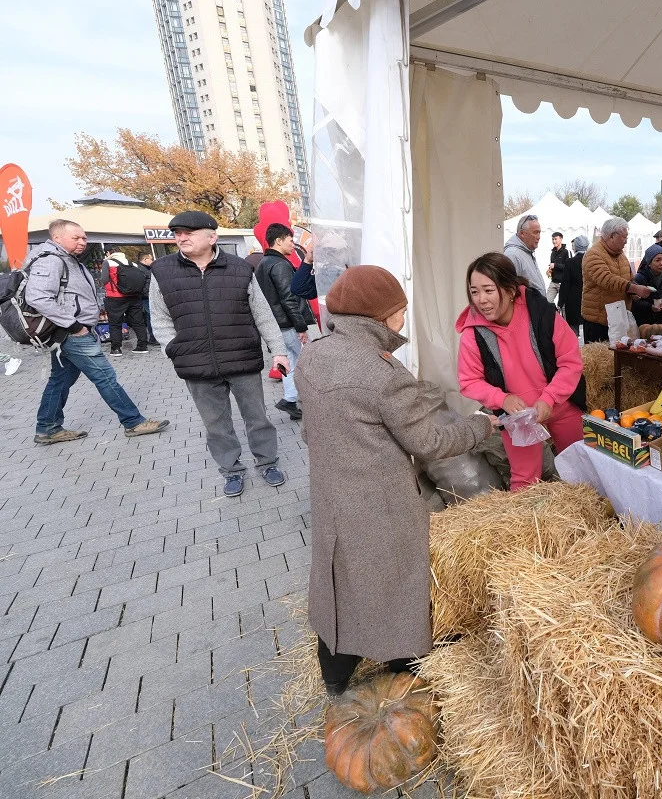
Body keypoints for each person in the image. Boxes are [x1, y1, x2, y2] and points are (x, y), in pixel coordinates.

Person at [297, 265, 498, 696]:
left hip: (332, 491)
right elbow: (429, 442)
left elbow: (309, 427)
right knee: (394, 578)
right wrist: (480, 425)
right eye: (399, 311)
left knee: (340, 576)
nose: (403, 320)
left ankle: (334, 672)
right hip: (380, 497)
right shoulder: (381, 373)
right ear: (377, 316)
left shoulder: (313, 353)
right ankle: (404, 661)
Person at [149, 210, 291, 498]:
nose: (181, 237)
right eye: (177, 233)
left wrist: (278, 351)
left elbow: (262, 314)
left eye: (189, 232)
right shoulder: (162, 271)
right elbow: (160, 318)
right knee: (216, 424)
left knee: (258, 418)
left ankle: (267, 462)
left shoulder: (240, 268)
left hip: (243, 359)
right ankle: (232, 470)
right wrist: (173, 349)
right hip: (196, 364)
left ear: (212, 237)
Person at [27, 220, 169, 445]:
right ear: (57, 238)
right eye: (76, 238)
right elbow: (37, 297)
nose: (83, 242)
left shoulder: (67, 259)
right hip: (71, 333)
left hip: (70, 331)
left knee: (60, 380)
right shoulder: (51, 261)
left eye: (84, 238)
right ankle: (133, 421)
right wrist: (75, 326)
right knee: (105, 377)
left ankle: (47, 428)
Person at [457, 253, 585, 491]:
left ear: (510, 289)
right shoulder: (472, 333)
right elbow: (469, 380)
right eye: (474, 292)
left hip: (560, 403)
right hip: (517, 417)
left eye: (488, 290)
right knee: (525, 481)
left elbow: (571, 361)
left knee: (581, 468)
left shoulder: (541, 313)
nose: (481, 300)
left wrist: (549, 398)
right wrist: (502, 399)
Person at [256, 223, 314, 421]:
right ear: (279, 241)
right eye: (290, 240)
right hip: (286, 323)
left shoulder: (264, 263)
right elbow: (288, 299)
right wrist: (301, 327)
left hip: (274, 323)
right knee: (301, 362)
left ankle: (290, 400)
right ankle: (295, 400)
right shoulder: (279, 265)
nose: (293, 244)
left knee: (289, 361)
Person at [581, 217, 652, 343]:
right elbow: (607, 279)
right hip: (599, 321)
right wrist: (634, 288)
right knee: (600, 360)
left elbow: (629, 278)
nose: (626, 241)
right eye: (624, 237)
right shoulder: (593, 254)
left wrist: (633, 293)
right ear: (612, 236)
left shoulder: (621, 255)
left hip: (619, 319)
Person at [101, 249, 150, 356]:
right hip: (134, 296)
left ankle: (116, 348)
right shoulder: (132, 264)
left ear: (109, 253)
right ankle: (142, 346)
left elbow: (104, 279)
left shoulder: (108, 262)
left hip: (115, 297)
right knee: (138, 322)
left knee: (115, 324)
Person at [631, 244, 662, 326]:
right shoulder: (639, 278)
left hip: (660, 321)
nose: (661, 263)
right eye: (657, 260)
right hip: (642, 322)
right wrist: (650, 306)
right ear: (649, 263)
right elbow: (634, 301)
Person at [504, 214, 545, 294]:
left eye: (539, 233)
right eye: (535, 232)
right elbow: (508, 290)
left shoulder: (526, 251)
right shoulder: (513, 255)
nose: (538, 237)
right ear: (522, 233)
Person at [558, 235, 587, 336]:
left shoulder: (570, 262)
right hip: (588, 300)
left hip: (573, 300)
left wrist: (560, 302)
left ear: (575, 247)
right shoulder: (591, 261)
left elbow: (565, 283)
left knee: (573, 331)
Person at [137, 252, 160, 346]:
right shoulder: (141, 270)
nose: (152, 261)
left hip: (148, 296)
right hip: (146, 297)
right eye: (151, 259)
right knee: (152, 317)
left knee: (150, 316)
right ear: (145, 260)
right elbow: (143, 285)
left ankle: (153, 338)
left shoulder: (145, 269)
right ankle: (153, 338)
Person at [546, 231, 570, 305]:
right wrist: (549, 270)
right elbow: (553, 266)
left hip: (562, 283)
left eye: (556, 239)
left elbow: (568, 267)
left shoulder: (566, 252)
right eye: (553, 239)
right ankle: (554, 314)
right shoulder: (552, 253)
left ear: (561, 239)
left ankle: (562, 316)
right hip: (553, 282)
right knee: (547, 301)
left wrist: (555, 265)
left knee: (563, 305)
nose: (554, 241)